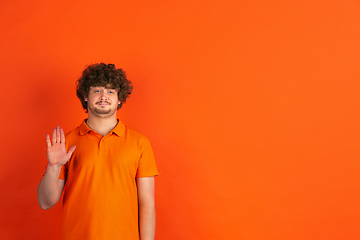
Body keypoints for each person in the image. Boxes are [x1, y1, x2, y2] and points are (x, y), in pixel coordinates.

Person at [37, 63, 158, 240]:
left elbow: (146, 203)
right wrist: (53, 166)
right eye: (97, 90)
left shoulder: (140, 143)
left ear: (119, 99)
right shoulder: (67, 142)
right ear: (85, 96)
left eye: (110, 91)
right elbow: (45, 202)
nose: (103, 96)